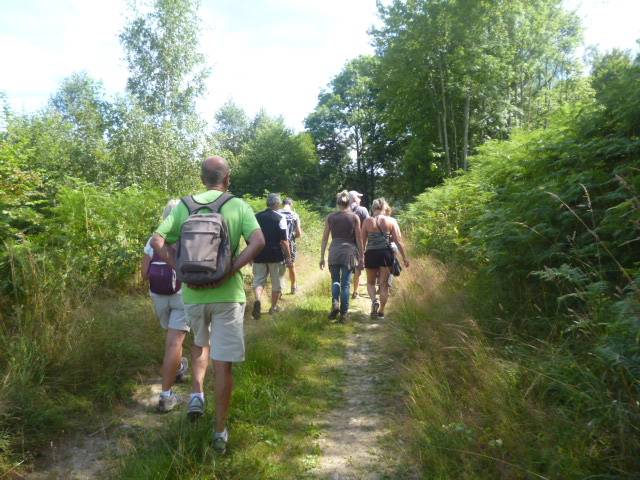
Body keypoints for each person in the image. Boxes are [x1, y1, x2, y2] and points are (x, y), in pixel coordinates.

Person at [150, 156, 265, 455]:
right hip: (228, 296)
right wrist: (229, 270)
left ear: (202, 179)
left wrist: (179, 268)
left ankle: (197, 395)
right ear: (227, 178)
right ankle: (219, 432)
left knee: (200, 345)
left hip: (193, 295)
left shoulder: (185, 206)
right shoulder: (237, 205)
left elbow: (157, 241)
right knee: (223, 365)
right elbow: (258, 241)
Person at [142, 199, 189, 413]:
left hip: (158, 295)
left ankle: (178, 368)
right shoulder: (187, 238)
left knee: (172, 340)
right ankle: (166, 396)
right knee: (174, 343)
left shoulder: (153, 240)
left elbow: (144, 274)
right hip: (181, 295)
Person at [320, 190, 364, 323]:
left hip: (334, 251)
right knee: (345, 285)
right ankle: (344, 315)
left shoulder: (330, 217)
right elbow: (359, 239)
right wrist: (361, 257)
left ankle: (335, 303)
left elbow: (324, 239)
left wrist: (322, 257)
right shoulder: (354, 217)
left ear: (337, 203)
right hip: (349, 253)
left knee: (335, 280)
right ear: (349, 202)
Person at [361, 198, 409, 319]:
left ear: (373, 208)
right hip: (385, 254)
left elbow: (362, 242)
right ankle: (381, 311)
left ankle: (374, 301)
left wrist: (361, 257)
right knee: (384, 285)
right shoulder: (391, 221)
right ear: (384, 208)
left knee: (370, 283)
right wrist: (405, 258)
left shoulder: (367, 221)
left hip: (371, 254)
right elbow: (398, 241)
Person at [252, 193, 292, 318]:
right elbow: (284, 241)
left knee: (258, 281)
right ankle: (273, 308)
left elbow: (250, 236)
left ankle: (257, 300)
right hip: (275, 255)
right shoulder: (280, 218)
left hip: (259, 253)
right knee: (277, 283)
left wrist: (251, 253)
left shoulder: (256, 216)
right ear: (277, 203)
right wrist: (288, 257)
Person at [278, 197, 303, 294]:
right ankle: (293, 288)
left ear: (282, 204)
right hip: (290, 243)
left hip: (278, 243)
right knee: (291, 265)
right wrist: (292, 237)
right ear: (291, 204)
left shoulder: (277, 213)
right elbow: (299, 233)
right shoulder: (294, 215)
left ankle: (278, 288)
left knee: (278, 266)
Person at [349, 190, 369, 299]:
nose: (360, 199)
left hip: (346, 242)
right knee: (358, 267)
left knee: (346, 266)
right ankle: (355, 291)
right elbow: (368, 225)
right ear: (354, 198)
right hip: (359, 242)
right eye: (358, 197)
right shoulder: (363, 210)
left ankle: (346, 289)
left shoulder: (344, 210)